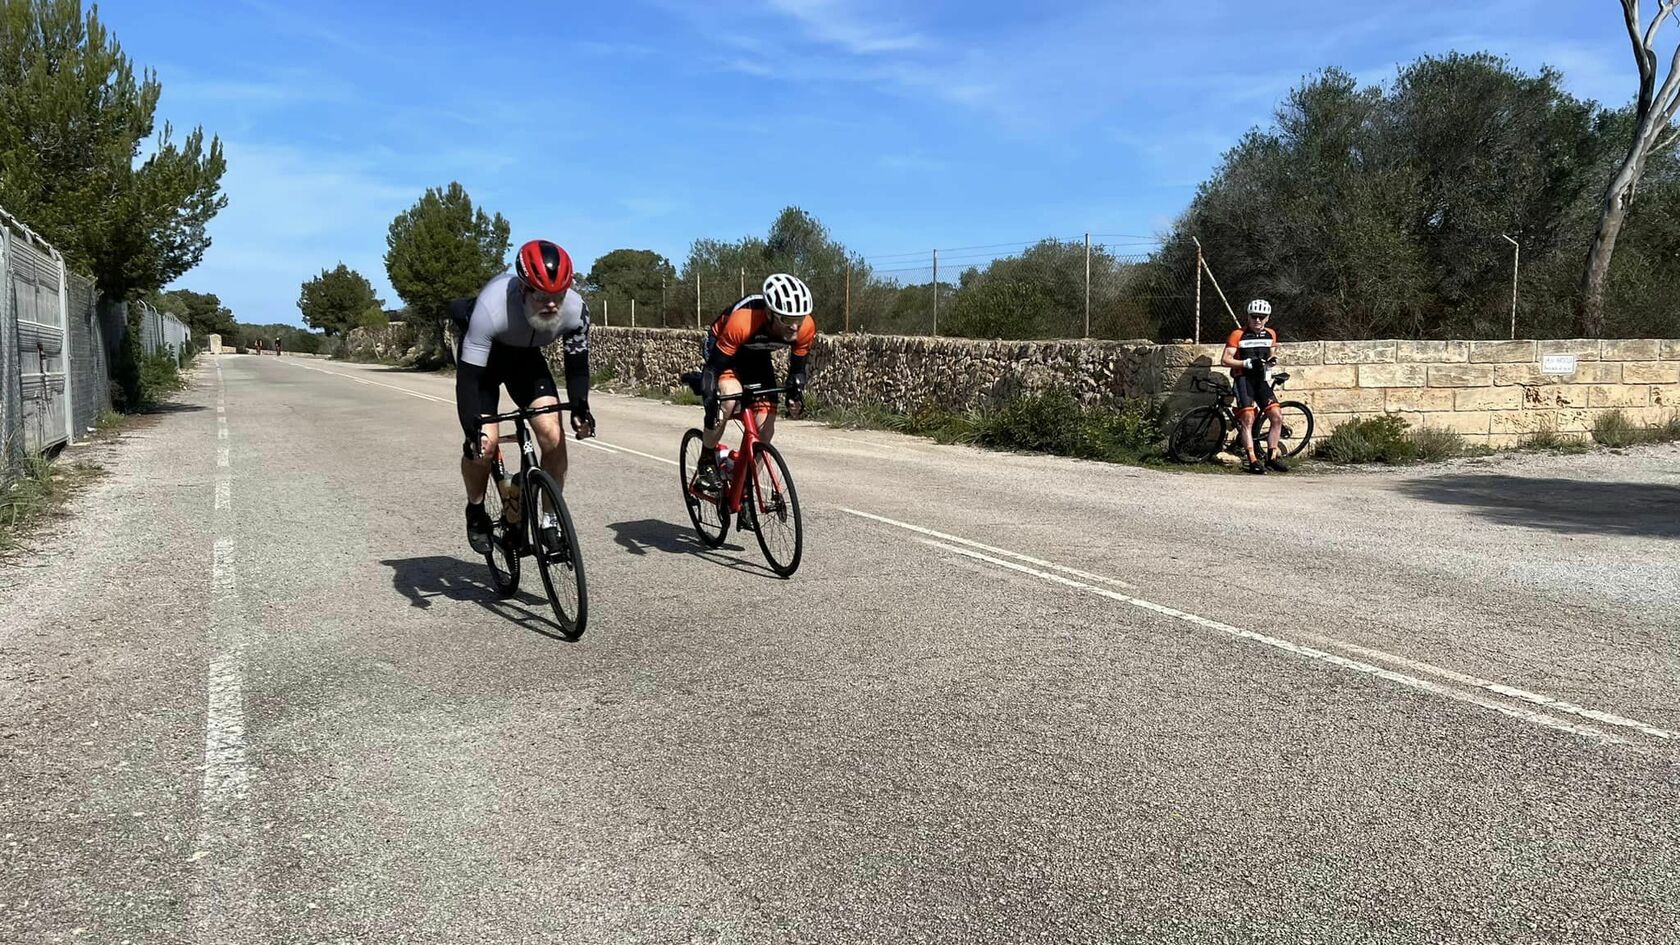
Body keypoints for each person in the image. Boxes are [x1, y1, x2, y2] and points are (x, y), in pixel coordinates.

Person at [456, 239, 595, 554]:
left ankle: (550, 520)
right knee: (484, 445)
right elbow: (469, 380)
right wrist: (470, 427)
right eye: (542, 296)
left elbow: (577, 366)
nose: (551, 305)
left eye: (558, 296)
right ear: (523, 289)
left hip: (527, 362)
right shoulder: (491, 308)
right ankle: (475, 509)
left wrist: (580, 407)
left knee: (553, 435)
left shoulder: (576, 311)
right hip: (485, 363)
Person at [692, 274, 815, 497]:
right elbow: (713, 369)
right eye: (787, 319)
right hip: (724, 349)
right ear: (769, 314)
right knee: (730, 397)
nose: (795, 326)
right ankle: (707, 460)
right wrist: (711, 399)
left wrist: (795, 395)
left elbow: (797, 372)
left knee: (765, 427)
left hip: (757, 355)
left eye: (799, 318)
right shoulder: (743, 320)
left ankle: (744, 486)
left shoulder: (805, 327)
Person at [1221, 299, 1287, 474]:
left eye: (1261, 317)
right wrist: (1245, 363)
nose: (1257, 320)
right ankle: (1253, 460)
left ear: (1267, 318)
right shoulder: (1238, 334)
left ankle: (1272, 458)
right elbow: (1225, 360)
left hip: (1260, 380)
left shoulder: (1270, 334)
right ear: (1248, 316)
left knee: (1277, 416)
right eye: (1254, 316)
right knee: (1248, 418)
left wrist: (1272, 361)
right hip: (1243, 379)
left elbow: (1271, 353)